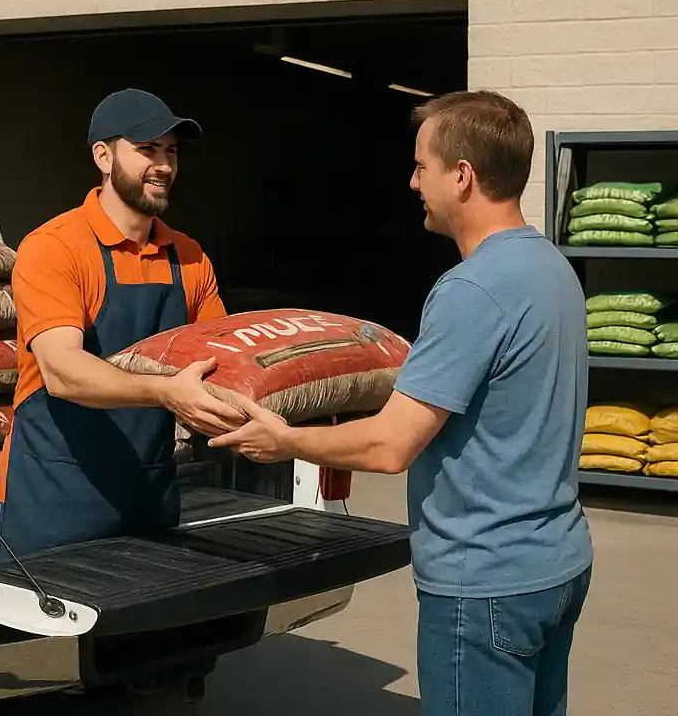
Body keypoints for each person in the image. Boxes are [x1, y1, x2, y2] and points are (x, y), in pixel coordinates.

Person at [209, 90, 594, 716]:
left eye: (422, 166)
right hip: (556, 564)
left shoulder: (471, 289)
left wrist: (284, 440)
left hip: (484, 582)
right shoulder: (551, 267)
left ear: (462, 177)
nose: (413, 181)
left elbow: (392, 444)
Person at [0, 88, 245, 560]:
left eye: (171, 152)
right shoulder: (56, 247)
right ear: (104, 157)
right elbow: (63, 371)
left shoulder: (188, 258)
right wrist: (166, 391)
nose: (164, 165)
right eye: (147, 150)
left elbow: (224, 364)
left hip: (148, 498)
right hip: (53, 500)